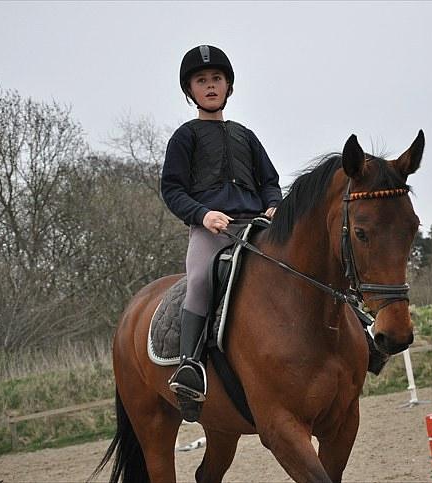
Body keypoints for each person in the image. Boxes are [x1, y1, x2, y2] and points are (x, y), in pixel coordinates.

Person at [161, 45, 282, 407]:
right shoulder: (185, 136)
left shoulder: (246, 135)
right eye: (202, 81)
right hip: (212, 231)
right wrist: (203, 215)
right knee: (199, 281)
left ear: (229, 86)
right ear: (190, 91)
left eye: (217, 79)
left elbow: (269, 180)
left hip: (256, 227)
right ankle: (189, 367)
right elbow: (172, 189)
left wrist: (274, 204)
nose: (210, 86)